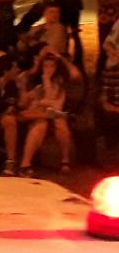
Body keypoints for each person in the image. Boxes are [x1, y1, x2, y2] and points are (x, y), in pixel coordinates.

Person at [17, 49, 79, 177]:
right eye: (46, 66)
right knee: (41, 124)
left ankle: (65, 162)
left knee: (60, 122)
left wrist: (44, 100)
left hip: (54, 114)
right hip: (36, 115)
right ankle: (25, 164)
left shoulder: (59, 82)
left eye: (52, 66)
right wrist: (44, 84)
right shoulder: (31, 80)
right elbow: (25, 104)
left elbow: (57, 105)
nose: (49, 69)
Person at [95, 0, 119, 77]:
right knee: (105, 47)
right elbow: (102, 1)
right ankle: (100, 75)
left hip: (118, 21)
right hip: (106, 19)